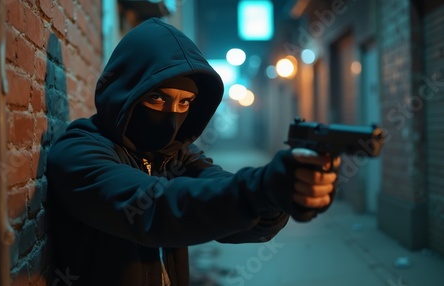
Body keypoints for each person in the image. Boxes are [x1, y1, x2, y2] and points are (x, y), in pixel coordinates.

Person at [46, 17, 340, 285]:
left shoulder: (174, 156)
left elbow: (226, 206)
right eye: (158, 98)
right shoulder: (78, 154)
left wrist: (277, 197)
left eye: (184, 102)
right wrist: (259, 189)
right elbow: (154, 211)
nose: (172, 115)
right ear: (125, 93)